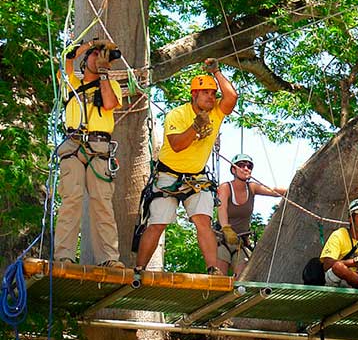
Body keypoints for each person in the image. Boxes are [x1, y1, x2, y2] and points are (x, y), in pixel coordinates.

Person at [134, 58, 238, 275]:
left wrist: (216, 72)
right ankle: (139, 269)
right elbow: (177, 145)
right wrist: (195, 127)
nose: (211, 97)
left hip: (196, 177)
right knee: (158, 223)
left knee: (203, 221)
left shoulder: (216, 112)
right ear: (194, 95)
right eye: (205, 93)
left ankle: (213, 269)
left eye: (213, 93)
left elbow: (232, 97)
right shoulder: (178, 114)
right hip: (168, 175)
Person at [54, 39, 124, 268]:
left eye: (103, 55)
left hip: (99, 148)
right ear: (85, 60)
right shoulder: (71, 83)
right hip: (73, 147)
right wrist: (92, 43)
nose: (99, 57)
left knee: (102, 203)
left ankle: (109, 258)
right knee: (71, 200)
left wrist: (103, 72)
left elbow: (109, 103)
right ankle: (64, 256)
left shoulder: (111, 85)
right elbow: (67, 57)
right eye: (95, 55)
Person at [216, 153, 286, 276]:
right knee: (219, 278)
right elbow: (222, 209)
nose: (246, 168)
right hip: (222, 239)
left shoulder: (252, 187)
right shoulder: (225, 187)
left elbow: (273, 191)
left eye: (249, 166)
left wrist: (294, 188)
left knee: (243, 278)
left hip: (241, 242)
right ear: (233, 170)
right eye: (241, 165)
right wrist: (226, 228)